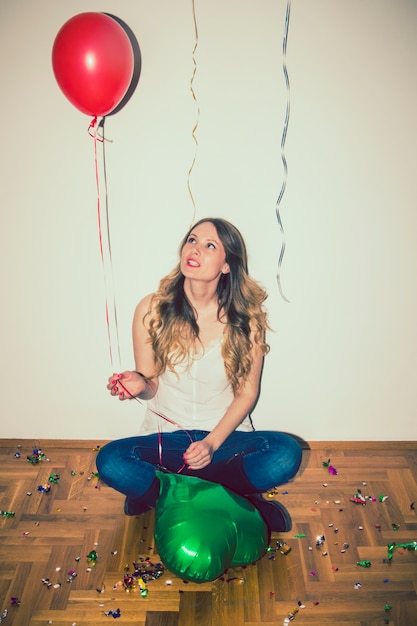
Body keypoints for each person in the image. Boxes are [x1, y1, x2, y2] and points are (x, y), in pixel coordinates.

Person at [96, 217, 302, 532]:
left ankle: (164, 494)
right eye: (192, 240)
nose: (195, 250)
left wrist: (210, 444)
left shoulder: (247, 320)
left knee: (285, 455)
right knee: (110, 461)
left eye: (210, 245)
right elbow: (150, 384)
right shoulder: (151, 309)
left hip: (224, 440)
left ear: (227, 265)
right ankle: (238, 500)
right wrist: (139, 384)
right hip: (166, 441)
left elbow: (247, 393)